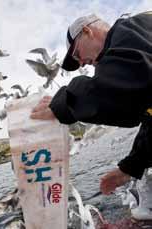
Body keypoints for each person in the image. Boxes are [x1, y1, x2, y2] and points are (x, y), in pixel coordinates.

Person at [30, 12, 152, 219]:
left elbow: (129, 85)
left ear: (87, 31)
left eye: (77, 55)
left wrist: (65, 102)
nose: (82, 64)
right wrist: (129, 168)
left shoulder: (134, 28)